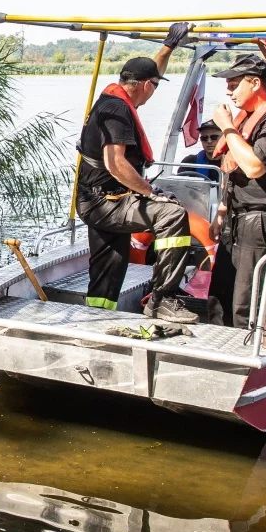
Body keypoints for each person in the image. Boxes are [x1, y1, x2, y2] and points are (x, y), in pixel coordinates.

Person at [75, 24, 198, 324]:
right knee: (171, 214)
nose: (154, 93)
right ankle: (162, 300)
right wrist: (150, 192)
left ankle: (96, 317)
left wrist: (169, 46)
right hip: (107, 202)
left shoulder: (114, 100)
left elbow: (153, 68)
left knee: (110, 265)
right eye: (155, 86)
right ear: (146, 85)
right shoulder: (117, 111)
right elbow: (115, 163)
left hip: (95, 200)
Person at [206, 54, 266, 328]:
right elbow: (230, 168)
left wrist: (226, 126)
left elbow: (254, 167)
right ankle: (215, 344)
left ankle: (247, 347)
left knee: (245, 300)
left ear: (255, 82)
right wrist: (222, 210)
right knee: (221, 293)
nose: (228, 91)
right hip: (237, 215)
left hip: (263, 219)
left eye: (234, 84)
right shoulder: (246, 117)